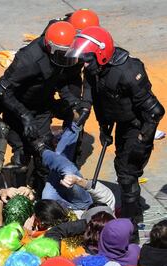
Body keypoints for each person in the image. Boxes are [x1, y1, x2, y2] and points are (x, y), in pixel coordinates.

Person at [65, 26, 165, 239]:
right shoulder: (93, 70)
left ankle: (129, 228)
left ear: (101, 54)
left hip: (137, 126)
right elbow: (93, 95)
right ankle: (131, 206)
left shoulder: (128, 72)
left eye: (88, 57)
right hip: (119, 123)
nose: (84, 62)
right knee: (122, 169)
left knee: (127, 174)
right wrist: (97, 122)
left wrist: (142, 139)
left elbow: (155, 111)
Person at [0, 21, 87, 191]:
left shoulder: (61, 56)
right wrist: (24, 115)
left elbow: (59, 79)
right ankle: (19, 196)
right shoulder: (27, 60)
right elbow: (2, 91)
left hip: (41, 106)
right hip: (18, 108)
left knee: (44, 153)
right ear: (51, 48)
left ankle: (42, 195)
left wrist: (71, 101)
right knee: (21, 156)